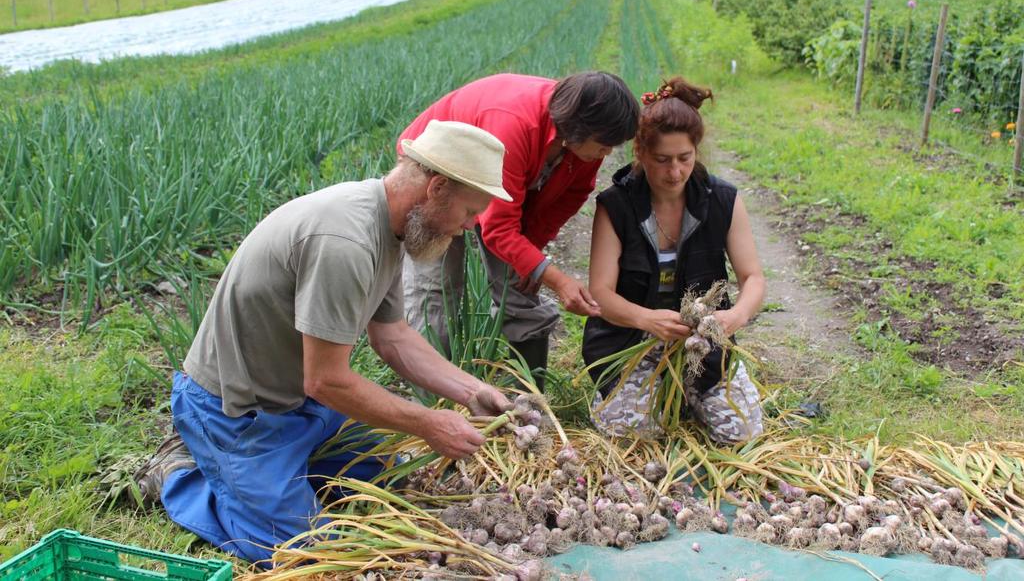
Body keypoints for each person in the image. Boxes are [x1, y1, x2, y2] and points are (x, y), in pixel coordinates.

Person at [134, 120, 513, 565]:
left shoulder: (391, 226)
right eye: (470, 211)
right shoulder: (345, 241)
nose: (470, 226)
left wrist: (471, 391)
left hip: (306, 407)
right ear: (437, 188)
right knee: (307, 552)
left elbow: (392, 337)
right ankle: (178, 472)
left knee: (393, 478)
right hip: (239, 413)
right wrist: (430, 424)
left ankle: (277, 469)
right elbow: (327, 381)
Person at [397, 72, 639, 390]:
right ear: (578, 129)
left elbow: (572, 195)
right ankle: (432, 394)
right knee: (437, 289)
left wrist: (533, 256)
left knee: (521, 289)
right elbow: (498, 227)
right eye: (605, 145)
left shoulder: (584, 144)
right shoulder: (515, 125)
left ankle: (528, 397)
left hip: (501, 178)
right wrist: (556, 278)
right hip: (438, 174)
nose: (607, 154)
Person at [582, 77, 765, 443]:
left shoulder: (723, 200)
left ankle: (687, 388)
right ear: (640, 153)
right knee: (635, 434)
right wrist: (645, 318)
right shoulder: (616, 206)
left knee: (743, 433)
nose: (675, 172)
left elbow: (753, 277)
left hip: (701, 344)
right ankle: (626, 392)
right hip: (629, 340)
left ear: (696, 151)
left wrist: (736, 316)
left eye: (685, 158)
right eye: (662, 160)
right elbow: (600, 292)